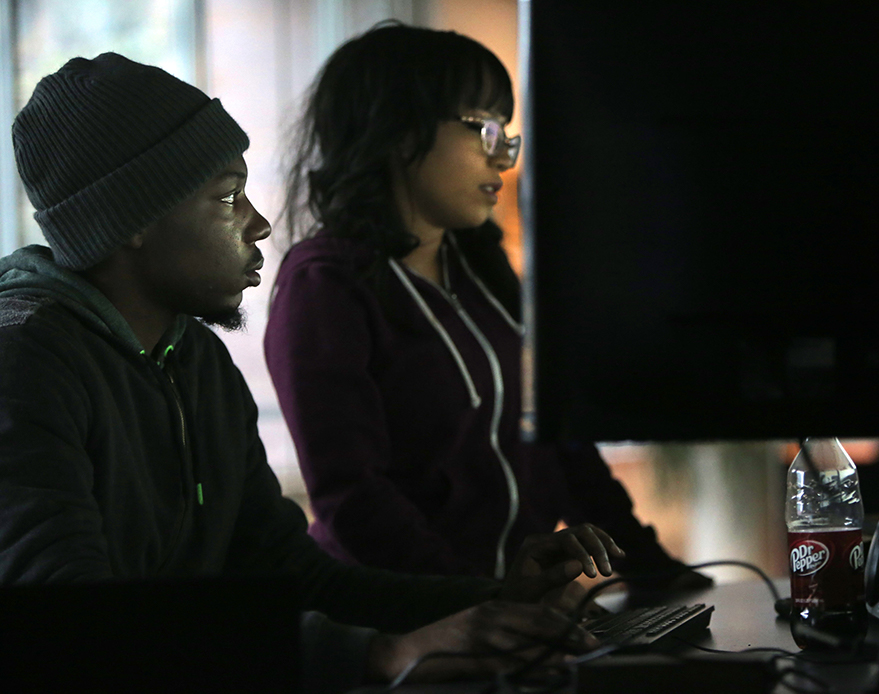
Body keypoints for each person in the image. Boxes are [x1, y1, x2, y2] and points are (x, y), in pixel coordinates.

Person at [0, 52, 625, 693]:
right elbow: (76, 623)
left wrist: (492, 602)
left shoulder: (195, 360)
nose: (260, 224)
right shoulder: (24, 363)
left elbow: (297, 577)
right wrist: (377, 655)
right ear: (130, 217)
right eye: (227, 198)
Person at [264, 21, 709, 593]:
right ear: (398, 130)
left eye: (507, 132)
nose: (502, 156)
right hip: (402, 617)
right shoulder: (326, 284)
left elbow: (561, 446)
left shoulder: (479, 270)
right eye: (484, 127)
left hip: (504, 607)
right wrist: (481, 601)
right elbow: (353, 495)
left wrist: (650, 568)